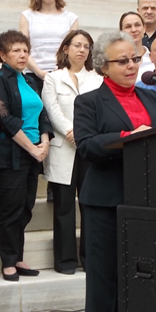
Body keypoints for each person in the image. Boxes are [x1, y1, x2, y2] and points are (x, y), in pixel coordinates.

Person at [73, 31, 156, 312]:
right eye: (122, 61)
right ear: (103, 66)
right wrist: (130, 136)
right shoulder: (88, 102)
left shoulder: (152, 96)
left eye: (135, 59)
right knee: (107, 283)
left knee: (149, 280)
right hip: (106, 202)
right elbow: (87, 145)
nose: (131, 65)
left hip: (150, 200)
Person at [0, 30, 54, 282]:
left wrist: (44, 142)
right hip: (9, 154)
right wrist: (32, 147)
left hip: (33, 152)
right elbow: (4, 119)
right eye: (16, 50)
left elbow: (43, 114)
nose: (22, 54)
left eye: (25, 50)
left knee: (25, 207)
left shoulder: (31, 81)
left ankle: (18, 255)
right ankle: (8, 260)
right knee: (11, 207)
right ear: (2, 55)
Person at [41, 30, 102, 274]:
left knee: (89, 205)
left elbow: (100, 109)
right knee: (64, 207)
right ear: (66, 48)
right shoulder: (53, 78)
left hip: (89, 148)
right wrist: (71, 130)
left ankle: (90, 260)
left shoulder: (97, 78)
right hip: (63, 148)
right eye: (77, 45)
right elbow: (52, 109)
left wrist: (83, 133)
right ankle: (65, 262)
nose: (81, 50)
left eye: (86, 46)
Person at [19, 0, 79, 92]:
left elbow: (73, 49)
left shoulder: (71, 18)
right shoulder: (27, 16)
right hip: (33, 75)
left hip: (63, 74)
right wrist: (39, 72)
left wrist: (60, 69)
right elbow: (23, 48)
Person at [119, 11, 153, 82]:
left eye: (137, 25)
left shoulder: (154, 60)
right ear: (121, 32)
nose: (134, 30)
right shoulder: (116, 61)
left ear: (144, 29)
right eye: (128, 27)